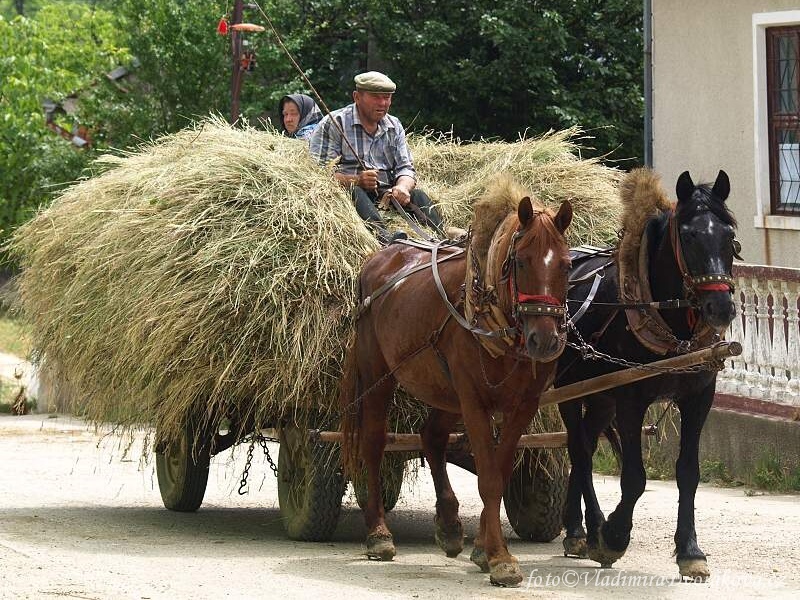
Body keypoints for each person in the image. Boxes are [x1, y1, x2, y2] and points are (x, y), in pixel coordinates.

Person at [309, 71, 443, 244]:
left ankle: (442, 238)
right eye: (375, 97)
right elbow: (319, 173)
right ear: (357, 97)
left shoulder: (394, 125)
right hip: (350, 196)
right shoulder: (335, 123)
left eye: (387, 97)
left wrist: (402, 187)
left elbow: (406, 168)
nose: (382, 103)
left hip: (387, 193)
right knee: (354, 192)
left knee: (418, 195)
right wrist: (356, 180)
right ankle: (384, 237)